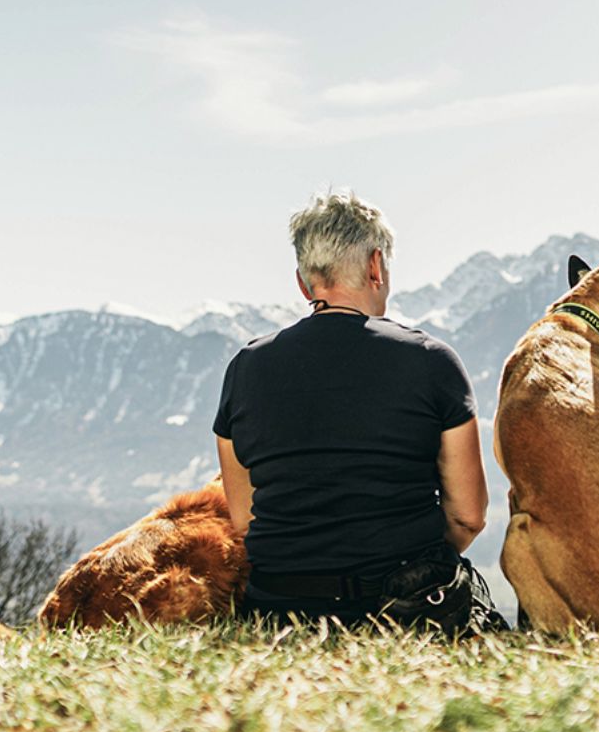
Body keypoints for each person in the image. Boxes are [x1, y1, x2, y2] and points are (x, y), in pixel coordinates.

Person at [212, 191, 503, 630]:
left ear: (303, 282)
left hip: (277, 613)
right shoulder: (431, 361)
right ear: (375, 266)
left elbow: (245, 520)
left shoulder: (245, 368)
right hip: (403, 610)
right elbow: (468, 515)